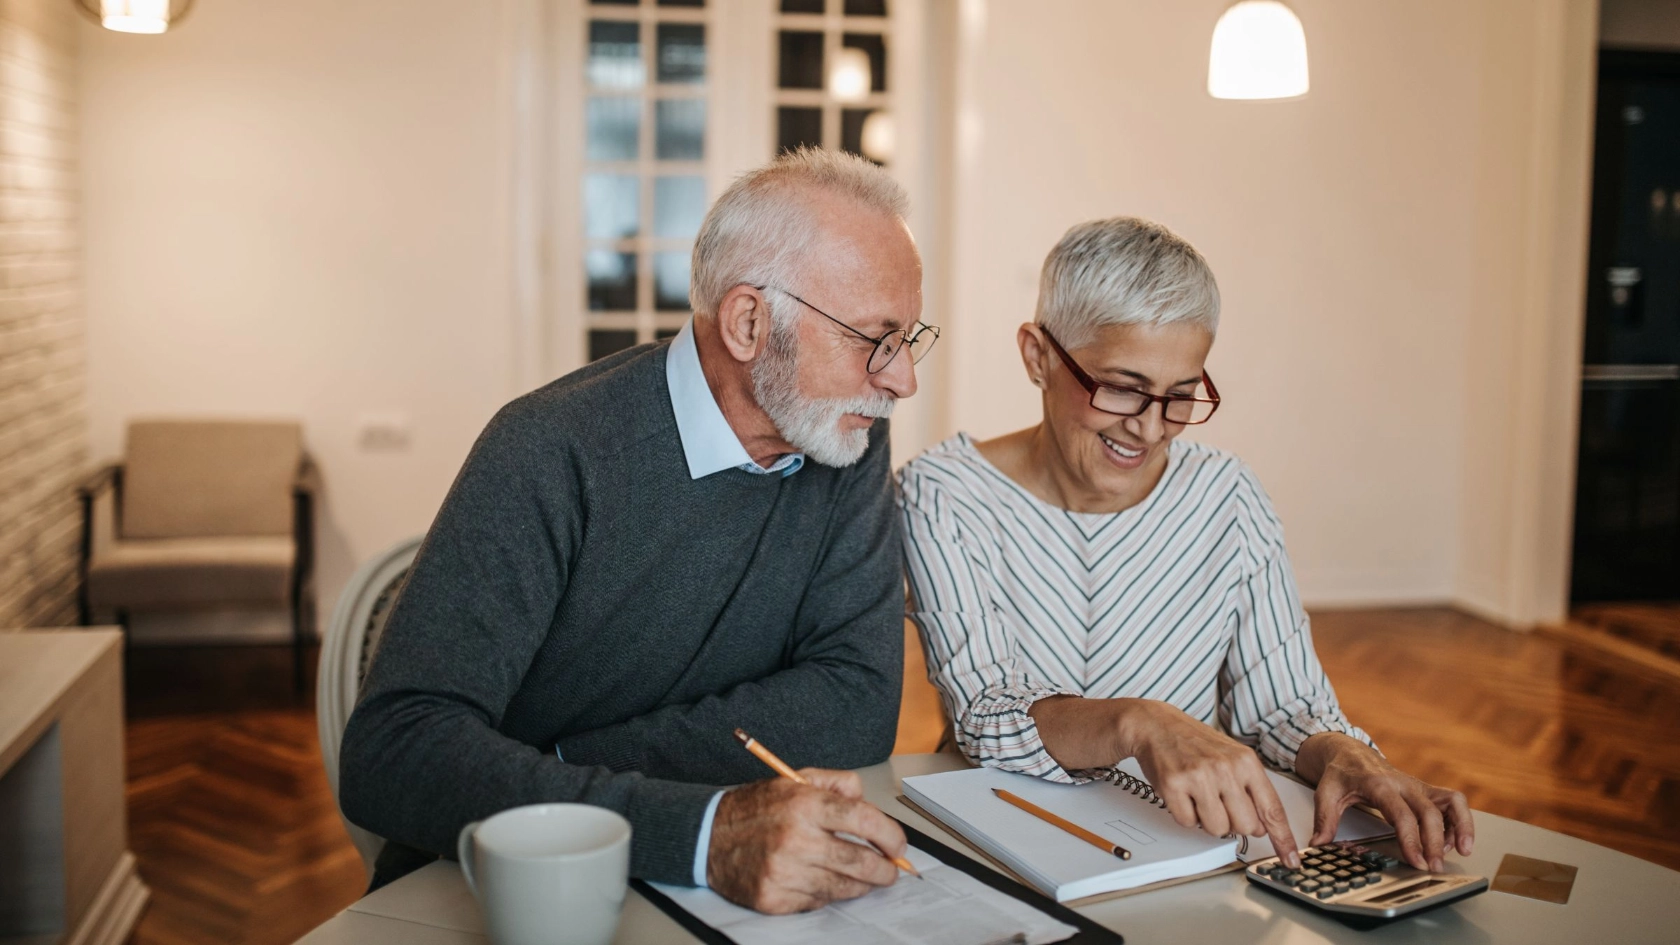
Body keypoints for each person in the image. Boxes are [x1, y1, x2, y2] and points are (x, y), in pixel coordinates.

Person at [339, 148, 941, 914]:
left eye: (909, 338)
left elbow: (855, 706)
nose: (901, 379)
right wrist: (700, 829)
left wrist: (562, 768)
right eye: (873, 339)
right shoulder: (549, 449)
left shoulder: (845, 436)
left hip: (702, 882)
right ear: (749, 322)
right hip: (507, 891)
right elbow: (394, 750)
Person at [897, 217, 1472, 874]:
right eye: (1122, 387)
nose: (1150, 429)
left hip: (1189, 845)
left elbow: (1283, 707)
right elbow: (985, 714)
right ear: (1038, 357)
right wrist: (1141, 723)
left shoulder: (1228, 496)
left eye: (1180, 396)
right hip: (1007, 840)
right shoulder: (943, 494)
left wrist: (1347, 753)